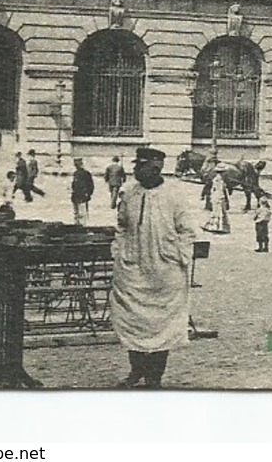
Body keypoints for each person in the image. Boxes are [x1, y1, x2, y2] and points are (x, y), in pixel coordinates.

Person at [109, 146, 198, 389]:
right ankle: (136, 370)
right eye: (136, 164)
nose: (135, 169)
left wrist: (177, 259)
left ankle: (154, 377)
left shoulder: (174, 195)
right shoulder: (129, 193)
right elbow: (122, 226)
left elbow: (186, 231)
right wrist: (120, 254)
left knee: (162, 323)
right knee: (132, 320)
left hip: (165, 271)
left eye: (141, 165)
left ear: (155, 168)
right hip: (132, 269)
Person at [70, 158, 96, 225]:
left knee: (82, 212)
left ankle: (82, 225)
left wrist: (88, 194)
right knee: (76, 213)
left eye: (77, 165)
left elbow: (90, 185)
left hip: (82, 196)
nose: (76, 166)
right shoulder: (76, 173)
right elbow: (74, 185)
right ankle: (77, 224)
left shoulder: (86, 173)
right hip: (76, 196)